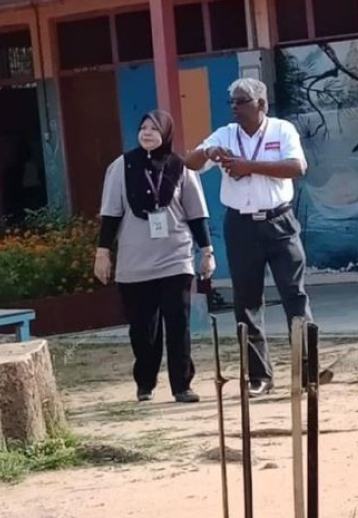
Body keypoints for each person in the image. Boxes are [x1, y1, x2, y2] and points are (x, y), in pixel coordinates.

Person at [185, 78, 311, 397]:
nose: (235, 107)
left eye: (241, 101)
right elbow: (191, 162)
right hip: (240, 225)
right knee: (247, 301)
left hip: (279, 221)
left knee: (294, 294)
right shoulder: (225, 134)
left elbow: (297, 167)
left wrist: (249, 166)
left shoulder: (282, 130)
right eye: (232, 102)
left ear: (261, 104)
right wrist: (209, 151)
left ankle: (308, 369)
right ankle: (259, 376)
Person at [94, 110, 215, 403]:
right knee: (142, 329)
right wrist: (103, 253)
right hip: (135, 262)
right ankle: (145, 382)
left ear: (166, 133)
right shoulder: (121, 167)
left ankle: (182, 385)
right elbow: (110, 215)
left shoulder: (181, 167)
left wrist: (207, 252)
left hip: (175, 257)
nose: (147, 133)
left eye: (154, 128)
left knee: (178, 322)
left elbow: (197, 215)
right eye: (143, 127)